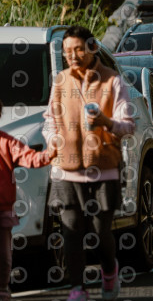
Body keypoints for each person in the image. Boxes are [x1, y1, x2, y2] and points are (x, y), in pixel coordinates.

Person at [43, 25, 135, 301]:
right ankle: (77, 289)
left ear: (92, 48)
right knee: (71, 231)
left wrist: (105, 122)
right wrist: (53, 140)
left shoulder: (112, 81)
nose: (71, 56)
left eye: (78, 49)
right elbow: (50, 120)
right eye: (66, 51)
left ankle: (109, 271)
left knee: (99, 231)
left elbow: (128, 126)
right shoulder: (61, 81)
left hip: (103, 169)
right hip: (66, 170)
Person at [0, 100, 53, 301]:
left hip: (3, 208)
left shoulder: (6, 142)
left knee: (4, 255)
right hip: (5, 207)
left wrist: (49, 154)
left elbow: (29, 157)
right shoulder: (6, 141)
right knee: (4, 254)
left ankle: (2, 288)